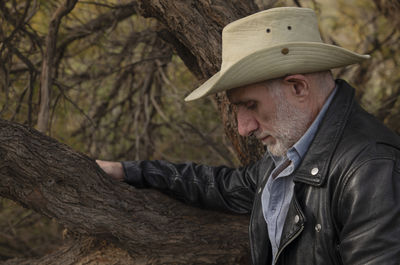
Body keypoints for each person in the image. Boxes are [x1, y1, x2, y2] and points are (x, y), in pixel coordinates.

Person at [97, 7, 400, 265]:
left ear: (298, 88)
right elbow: (223, 186)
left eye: (251, 105)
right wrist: (129, 171)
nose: (244, 128)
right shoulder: (295, 149)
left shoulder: (371, 169)